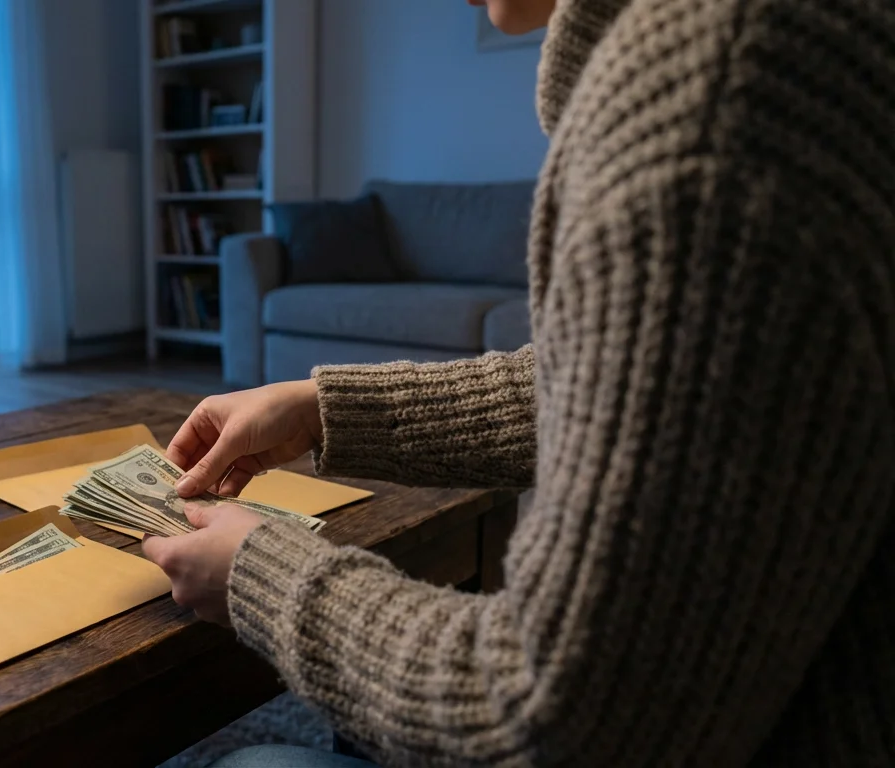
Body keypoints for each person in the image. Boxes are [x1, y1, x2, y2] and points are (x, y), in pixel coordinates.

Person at [139, 0, 895, 764]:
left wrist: (260, 574)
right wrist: (321, 410)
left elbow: (559, 718)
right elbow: (642, 390)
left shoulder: (710, 100)